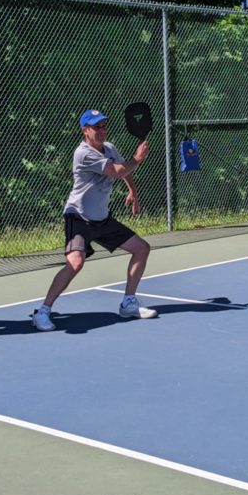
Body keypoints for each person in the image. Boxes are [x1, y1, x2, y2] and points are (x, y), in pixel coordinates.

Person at [32, 108, 157, 331]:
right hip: (79, 216)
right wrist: (137, 158)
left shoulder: (109, 148)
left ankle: (128, 303)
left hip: (102, 219)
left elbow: (124, 171)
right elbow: (116, 171)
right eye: (96, 126)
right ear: (85, 131)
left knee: (141, 248)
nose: (101, 130)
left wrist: (133, 192)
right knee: (75, 263)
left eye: (103, 126)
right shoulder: (83, 154)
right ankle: (43, 311)